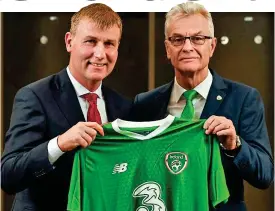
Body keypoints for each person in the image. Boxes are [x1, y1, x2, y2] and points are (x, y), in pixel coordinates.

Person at [130, 2, 274, 211]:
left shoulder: (244, 98)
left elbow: (265, 175)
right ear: (167, 48)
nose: (188, 47)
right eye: (178, 39)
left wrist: (235, 145)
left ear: (212, 46)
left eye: (198, 38)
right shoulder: (144, 105)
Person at [1, 3, 131, 211]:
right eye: (91, 41)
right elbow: (8, 176)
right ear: (70, 42)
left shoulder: (124, 107)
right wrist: (60, 144)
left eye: (109, 44)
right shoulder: (34, 96)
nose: (100, 53)